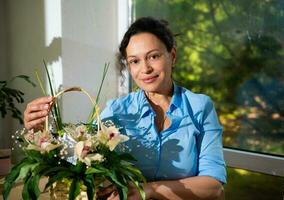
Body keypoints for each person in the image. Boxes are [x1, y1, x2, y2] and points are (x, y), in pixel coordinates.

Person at [24, 17, 227, 200]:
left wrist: (146, 190)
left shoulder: (200, 107)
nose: (145, 69)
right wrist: (40, 133)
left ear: (172, 56)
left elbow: (213, 187)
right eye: (135, 61)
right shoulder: (117, 110)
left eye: (154, 56)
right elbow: (76, 157)